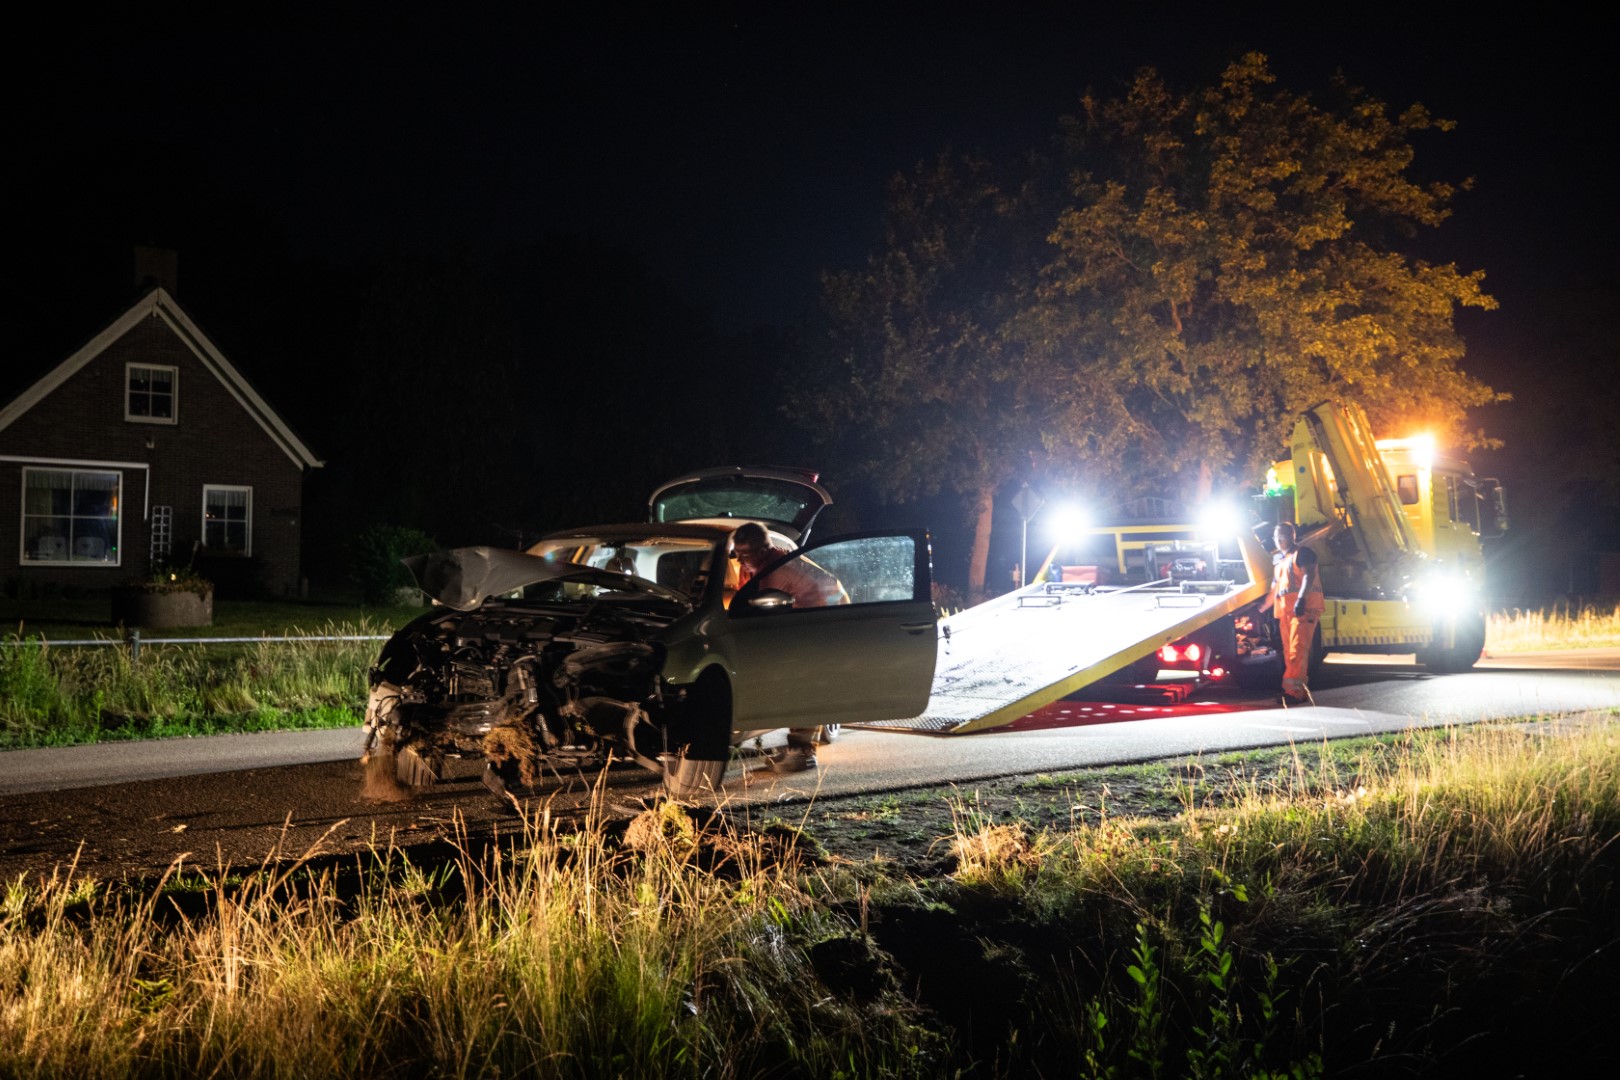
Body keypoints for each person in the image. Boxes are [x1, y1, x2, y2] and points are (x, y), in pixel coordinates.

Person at [730, 521, 847, 771]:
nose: (739, 560)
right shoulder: (766, 563)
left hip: (826, 624)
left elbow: (754, 611)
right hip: (807, 622)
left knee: (803, 683)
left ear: (762, 550)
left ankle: (803, 752)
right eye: (736, 554)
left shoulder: (775, 571)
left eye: (744, 555)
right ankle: (798, 747)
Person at [1271, 522, 1324, 704]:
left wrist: (1301, 599)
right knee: (1289, 652)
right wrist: (1261, 608)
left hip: (1304, 610)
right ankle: (1292, 690)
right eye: (1277, 538)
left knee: (1297, 651)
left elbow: (1308, 576)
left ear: (1292, 536)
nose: (1279, 541)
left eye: (1283, 536)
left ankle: (1296, 693)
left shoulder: (1303, 554)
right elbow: (1276, 590)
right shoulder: (1281, 561)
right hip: (1287, 613)